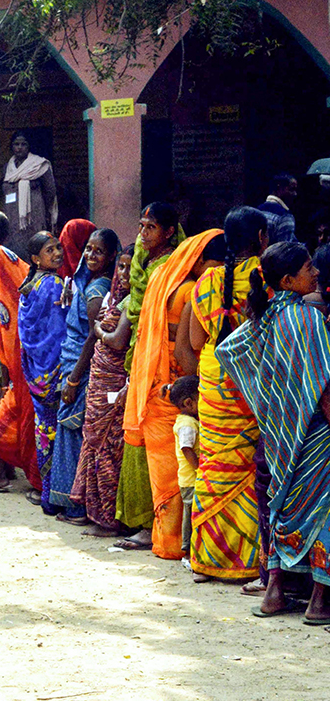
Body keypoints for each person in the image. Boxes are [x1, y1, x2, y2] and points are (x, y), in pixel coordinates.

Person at [217, 240, 330, 622]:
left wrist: (266, 399)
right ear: (287, 279)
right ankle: (318, 601)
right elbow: (324, 384)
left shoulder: (263, 317)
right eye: (308, 268)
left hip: (278, 434)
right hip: (314, 431)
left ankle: (274, 593)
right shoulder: (309, 319)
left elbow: (228, 350)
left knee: (281, 507)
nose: (315, 273)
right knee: (322, 510)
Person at [181, 207, 268, 581]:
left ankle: (206, 560)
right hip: (251, 378)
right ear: (262, 238)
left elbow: (197, 342)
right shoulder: (266, 276)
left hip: (214, 378)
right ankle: (246, 561)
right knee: (247, 466)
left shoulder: (207, 280)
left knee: (214, 462)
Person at [121, 229, 216, 560]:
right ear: (200, 260)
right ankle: (179, 542)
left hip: (157, 385)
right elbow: (190, 351)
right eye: (216, 262)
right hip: (182, 386)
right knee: (182, 468)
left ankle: (168, 541)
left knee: (167, 468)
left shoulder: (164, 282)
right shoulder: (193, 291)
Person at [113, 204, 187, 546]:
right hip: (142, 356)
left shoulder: (172, 268)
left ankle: (155, 527)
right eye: (141, 225)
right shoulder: (144, 265)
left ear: (170, 232)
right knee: (138, 436)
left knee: (158, 442)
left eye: (151, 227)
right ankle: (141, 522)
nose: (143, 233)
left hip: (163, 363)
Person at [51, 227, 119, 520]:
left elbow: (93, 337)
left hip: (82, 368)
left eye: (99, 251)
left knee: (75, 433)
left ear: (111, 256)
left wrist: (74, 378)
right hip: (73, 362)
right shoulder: (88, 283)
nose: (91, 255)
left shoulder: (96, 290)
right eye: (88, 249)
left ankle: (77, 505)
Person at [74, 245, 137, 531]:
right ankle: (95, 512)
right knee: (95, 444)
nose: (124, 274)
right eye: (121, 267)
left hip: (115, 381)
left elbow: (116, 340)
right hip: (99, 382)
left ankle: (111, 517)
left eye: (129, 267)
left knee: (111, 447)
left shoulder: (133, 302)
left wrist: (99, 331)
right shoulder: (114, 297)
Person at [16, 231, 71, 506]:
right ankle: (55, 496)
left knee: (44, 432)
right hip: (55, 372)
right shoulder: (53, 285)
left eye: (59, 247)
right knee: (60, 433)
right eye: (50, 250)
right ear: (37, 259)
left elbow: (28, 337)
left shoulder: (29, 287)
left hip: (36, 373)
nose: (58, 253)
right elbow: (59, 331)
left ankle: (46, 492)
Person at [0, 215, 40, 493]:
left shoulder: (18, 297)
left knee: (4, 425)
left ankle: (3, 476)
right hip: (19, 376)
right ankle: (3, 473)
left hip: (28, 375)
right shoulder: (10, 291)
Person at [1, 131, 58, 253]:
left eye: (23, 144)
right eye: (16, 144)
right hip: (12, 218)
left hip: (34, 217)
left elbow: (50, 191)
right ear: (12, 146)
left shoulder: (39, 165)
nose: (20, 147)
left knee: (35, 249)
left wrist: (42, 209)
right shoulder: (8, 168)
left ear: (29, 146)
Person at [167, 375, 201, 564]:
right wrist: (200, 470)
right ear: (189, 402)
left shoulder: (187, 421)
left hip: (191, 478)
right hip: (191, 479)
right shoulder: (187, 425)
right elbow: (187, 449)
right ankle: (187, 553)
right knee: (191, 516)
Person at [258, 174, 298, 243]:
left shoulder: (256, 211)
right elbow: (284, 250)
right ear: (279, 188)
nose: (295, 194)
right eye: (291, 189)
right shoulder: (285, 216)